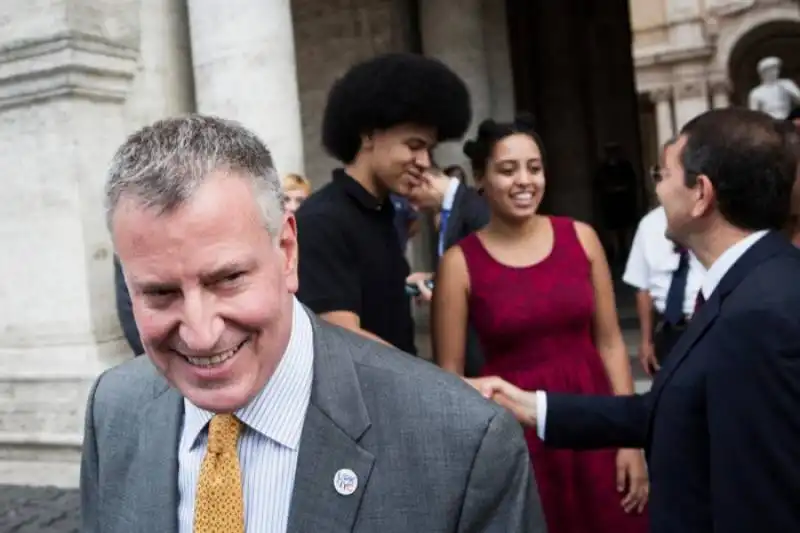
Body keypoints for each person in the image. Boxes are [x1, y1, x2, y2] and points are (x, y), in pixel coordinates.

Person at [81, 115, 545, 533]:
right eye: (160, 293)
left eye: (228, 280)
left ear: (286, 251)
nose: (201, 334)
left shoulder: (462, 443)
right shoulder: (114, 408)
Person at [471, 108, 800, 533]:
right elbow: (671, 409)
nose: (657, 189)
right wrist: (530, 406)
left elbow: (765, 496)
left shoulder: (764, 312)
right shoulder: (750, 283)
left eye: (662, 174)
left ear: (701, 193)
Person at [433, 116, 648, 533]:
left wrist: (630, 439)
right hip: (516, 433)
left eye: (534, 167)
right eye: (507, 169)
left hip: (595, 418)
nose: (524, 181)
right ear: (480, 178)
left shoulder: (581, 237)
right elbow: (450, 376)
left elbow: (610, 343)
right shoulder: (459, 263)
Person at [295, 53, 471, 352]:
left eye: (429, 149)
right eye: (414, 146)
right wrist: (433, 381)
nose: (424, 161)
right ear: (368, 136)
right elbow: (342, 338)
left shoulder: (384, 213)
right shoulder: (322, 220)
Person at [624, 141, 705, 374]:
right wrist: (646, 340)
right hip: (669, 329)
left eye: (667, 174)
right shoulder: (650, 225)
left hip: (706, 324)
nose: (659, 183)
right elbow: (643, 288)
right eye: (657, 174)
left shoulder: (714, 219)